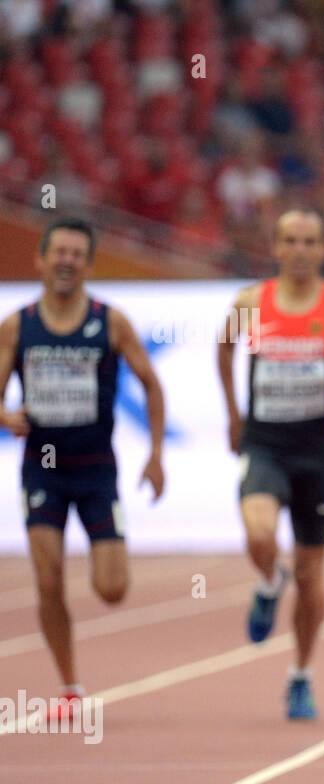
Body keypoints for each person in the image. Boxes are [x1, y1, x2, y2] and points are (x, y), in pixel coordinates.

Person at [217, 208, 324, 720]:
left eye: (309, 241)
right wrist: (232, 413)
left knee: (312, 574)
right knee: (259, 532)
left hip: (316, 452)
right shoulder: (251, 302)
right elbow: (224, 347)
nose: (299, 250)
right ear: (276, 247)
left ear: (322, 249)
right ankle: (270, 581)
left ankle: (300, 674)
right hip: (265, 445)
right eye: (289, 240)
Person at [0, 218, 166, 721]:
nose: (68, 261)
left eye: (77, 254)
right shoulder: (18, 324)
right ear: (41, 260)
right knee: (48, 577)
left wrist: (155, 455)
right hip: (43, 470)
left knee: (111, 589)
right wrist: (6, 416)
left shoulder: (110, 322)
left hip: (97, 471)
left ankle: (108, 563)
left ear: (90, 264)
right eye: (60, 252)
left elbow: (152, 385)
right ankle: (70, 689)